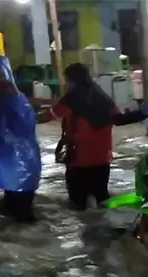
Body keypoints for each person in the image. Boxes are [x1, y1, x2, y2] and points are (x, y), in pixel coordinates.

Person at [37, 63, 119, 210]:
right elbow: (119, 118)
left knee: (78, 206)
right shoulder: (103, 97)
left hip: (79, 160)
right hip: (102, 159)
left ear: (72, 80)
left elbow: (47, 117)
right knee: (102, 201)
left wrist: (25, 114)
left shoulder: (70, 100)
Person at [0, 51, 41, 223]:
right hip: (8, 170)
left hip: (21, 169)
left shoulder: (17, 103)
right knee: (14, 214)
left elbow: (21, 132)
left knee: (23, 217)